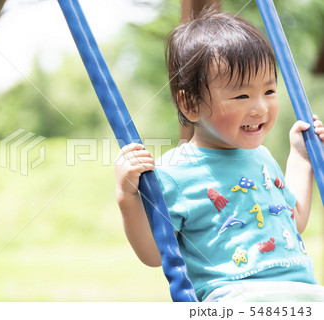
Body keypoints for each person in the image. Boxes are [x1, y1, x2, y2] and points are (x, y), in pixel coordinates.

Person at [114, 9, 324, 302]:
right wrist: (127, 196)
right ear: (190, 105)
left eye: (269, 90)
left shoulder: (263, 158)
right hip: (235, 298)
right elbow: (154, 253)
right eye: (241, 96)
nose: (260, 108)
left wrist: (301, 159)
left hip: (306, 295)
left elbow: (293, 220)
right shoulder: (174, 171)